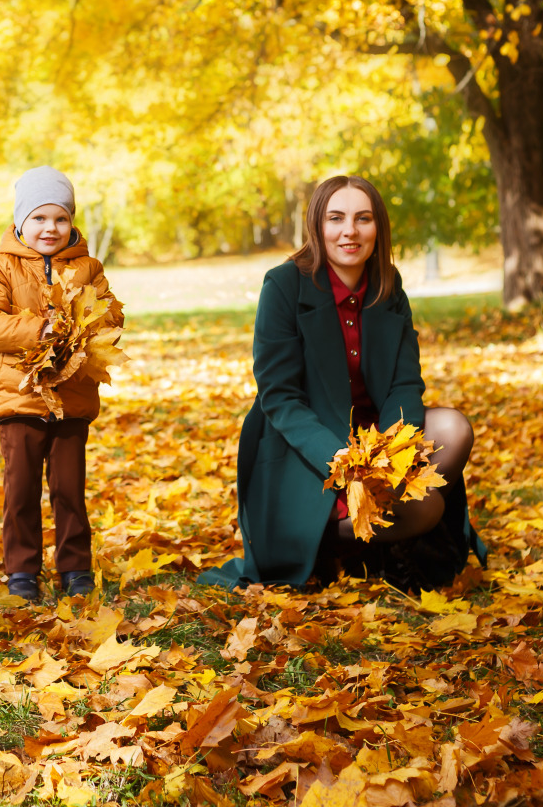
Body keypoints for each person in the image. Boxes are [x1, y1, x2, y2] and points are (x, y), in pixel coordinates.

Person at [201, 175, 488, 593]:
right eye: (336, 218)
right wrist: (340, 458)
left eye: (363, 218)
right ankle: (328, 545)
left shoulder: (389, 285)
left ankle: (385, 542)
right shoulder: (283, 285)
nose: (349, 231)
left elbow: (405, 383)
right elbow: (279, 397)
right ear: (318, 226)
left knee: (454, 431)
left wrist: (392, 451)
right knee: (424, 511)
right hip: (302, 443)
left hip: (374, 434)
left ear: (378, 228)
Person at [0, 166, 124, 602]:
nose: (49, 228)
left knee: (69, 487)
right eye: (38, 218)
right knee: (20, 488)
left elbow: (111, 315)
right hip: (19, 395)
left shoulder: (88, 267)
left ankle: (75, 567)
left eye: (59, 218)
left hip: (72, 397)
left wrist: (81, 323)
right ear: (21, 221)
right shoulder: (3, 265)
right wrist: (39, 331)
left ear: (71, 221)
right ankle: (22, 571)